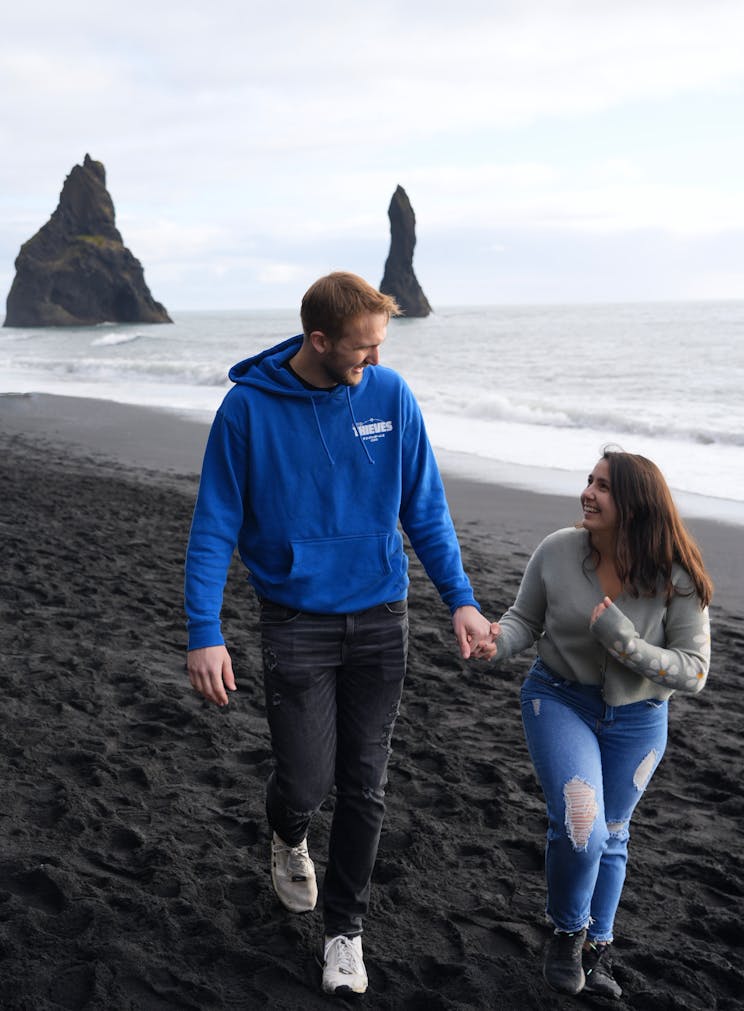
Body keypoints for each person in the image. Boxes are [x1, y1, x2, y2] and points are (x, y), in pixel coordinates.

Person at [184, 271, 493, 998]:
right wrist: (204, 630)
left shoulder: (390, 396)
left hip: (383, 617)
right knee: (305, 780)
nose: (375, 361)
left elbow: (425, 506)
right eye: (362, 349)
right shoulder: (247, 412)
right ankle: (287, 833)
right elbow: (213, 527)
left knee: (366, 783)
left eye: (382, 345)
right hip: (295, 622)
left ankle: (344, 932)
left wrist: (462, 600)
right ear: (317, 341)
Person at [479, 448, 712, 999]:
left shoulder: (678, 576)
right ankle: (566, 931)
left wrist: (625, 642)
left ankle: (597, 949)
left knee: (611, 834)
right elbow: (523, 621)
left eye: (603, 486)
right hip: (558, 699)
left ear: (636, 502)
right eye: (589, 481)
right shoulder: (558, 551)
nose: (588, 492)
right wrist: (496, 641)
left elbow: (695, 671)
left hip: (640, 719)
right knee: (581, 828)